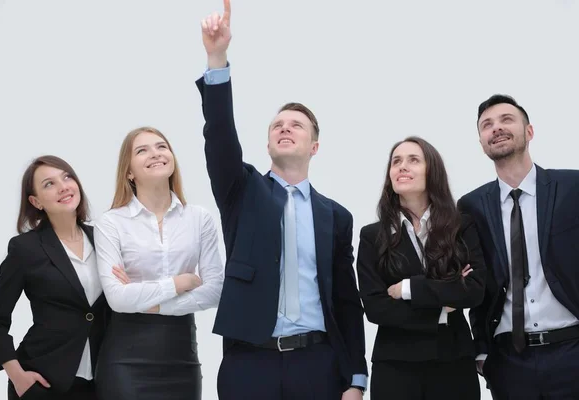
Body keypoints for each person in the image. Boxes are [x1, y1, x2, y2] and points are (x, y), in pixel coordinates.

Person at [195, 1, 367, 399]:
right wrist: (217, 56)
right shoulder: (242, 190)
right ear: (268, 141)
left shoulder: (335, 216)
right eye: (277, 125)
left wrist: (356, 377)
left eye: (296, 125)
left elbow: (345, 299)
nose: (285, 129)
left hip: (317, 363)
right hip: (249, 364)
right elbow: (219, 136)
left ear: (315, 145)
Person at [458, 94, 579, 399]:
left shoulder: (572, 188)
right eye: (487, 125)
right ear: (482, 141)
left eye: (506, 120)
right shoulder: (471, 206)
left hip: (572, 350)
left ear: (529, 132)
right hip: (509, 362)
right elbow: (477, 281)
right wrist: (482, 350)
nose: (496, 128)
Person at [93, 126, 224, 400]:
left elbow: (216, 291)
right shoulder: (111, 223)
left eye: (161, 146)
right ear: (129, 171)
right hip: (125, 359)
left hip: (182, 357)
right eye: (142, 150)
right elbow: (117, 299)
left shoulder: (200, 219)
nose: (155, 153)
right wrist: (181, 283)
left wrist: (152, 302)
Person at [356, 137, 485, 400]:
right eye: (396, 161)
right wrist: (443, 306)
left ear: (432, 171)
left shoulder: (462, 226)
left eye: (413, 160)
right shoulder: (372, 236)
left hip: (454, 363)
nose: (402, 167)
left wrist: (408, 288)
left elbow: (473, 291)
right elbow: (375, 307)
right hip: (395, 367)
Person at [0, 155, 109, 400]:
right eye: (49, 184)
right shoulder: (25, 248)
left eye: (67, 177)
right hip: (44, 380)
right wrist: (17, 375)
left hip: (103, 381)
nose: (63, 187)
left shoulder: (105, 239)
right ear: (36, 201)